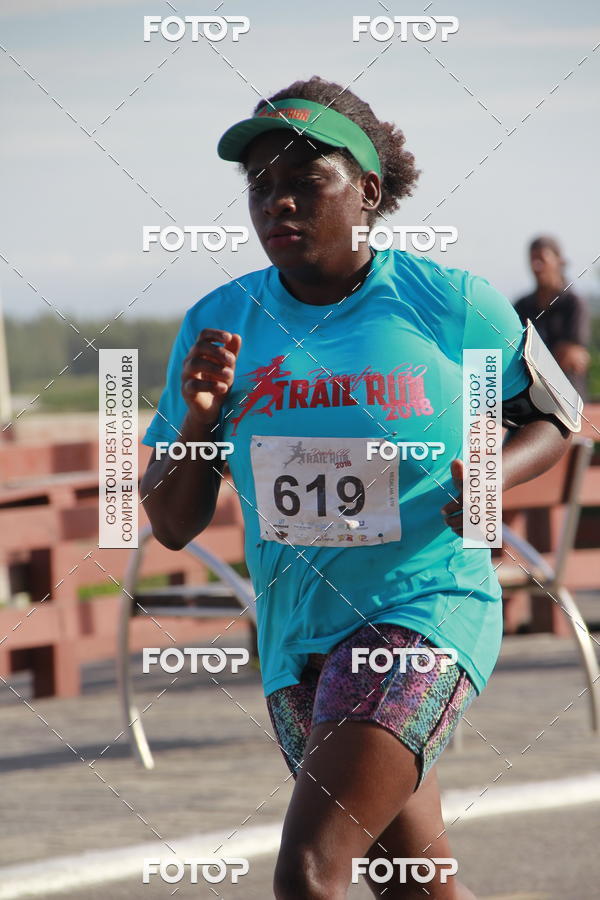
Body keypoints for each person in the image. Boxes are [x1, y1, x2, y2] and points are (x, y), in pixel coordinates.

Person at [141, 76, 577, 899]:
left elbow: (556, 415)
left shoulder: (451, 304)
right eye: (261, 188)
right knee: (415, 887)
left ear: (367, 192)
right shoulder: (217, 324)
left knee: (309, 871)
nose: (279, 204)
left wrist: (492, 473)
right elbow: (170, 523)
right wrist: (198, 422)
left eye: (306, 183)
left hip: (425, 606)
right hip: (296, 639)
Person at [515, 236, 590, 398]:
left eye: (542, 259)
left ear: (558, 261)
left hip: (568, 399)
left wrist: (531, 360)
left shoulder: (573, 304)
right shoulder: (522, 305)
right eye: (533, 260)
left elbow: (572, 356)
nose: (537, 266)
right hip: (530, 398)